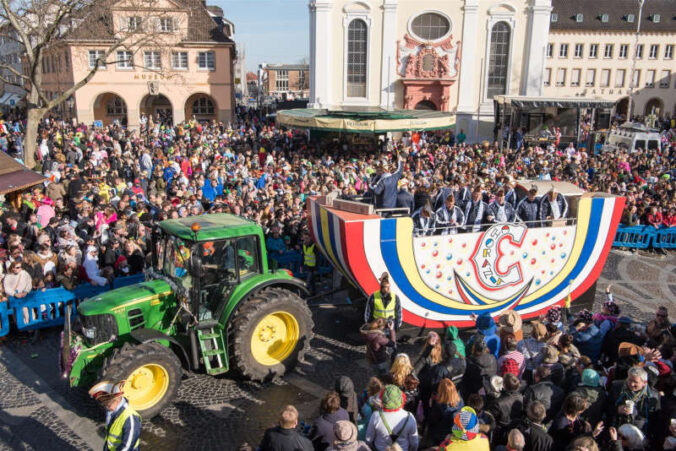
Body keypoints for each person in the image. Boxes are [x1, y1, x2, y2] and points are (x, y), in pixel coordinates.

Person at [88, 380, 141, 451]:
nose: (107, 407)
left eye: (108, 405)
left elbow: (127, 446)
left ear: (117, 400)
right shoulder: (111, 410)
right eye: (105, 405)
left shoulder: (130, 417)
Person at [364, 385, 418, 451]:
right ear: (401, 398)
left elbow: (368, 439)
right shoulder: (409, 417)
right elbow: (414, 443)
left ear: (383, 399)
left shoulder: (376, 416)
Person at [607, 366, 660, 433]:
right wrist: (617, 409)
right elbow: (606, 407)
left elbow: (656, 419)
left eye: (635, 382)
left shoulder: (653, 395)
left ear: (644, 382)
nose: (632, 384)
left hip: (640, 432)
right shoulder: (617, 387)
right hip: (618, 430)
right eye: (629, 380)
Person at [487, 373, 523, 445]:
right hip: (515, 427)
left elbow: (491, 417)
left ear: (504, 385)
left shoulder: (498, 403)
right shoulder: (521, 397)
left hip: (501, 430)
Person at [427, 378, 465, 445]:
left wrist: (431, 406)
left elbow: (433, 419)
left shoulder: (439, 405)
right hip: (453, 432)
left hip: (441, 433)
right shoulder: (460, 399)